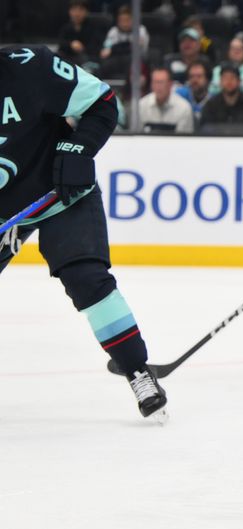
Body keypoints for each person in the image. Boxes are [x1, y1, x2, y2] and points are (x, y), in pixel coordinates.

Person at [0, 45, 167, 419]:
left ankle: (138, 371)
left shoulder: (32, 67)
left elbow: (103, 102)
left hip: (57, 192)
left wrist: (77, 150)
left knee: (85, 276)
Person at [200, 63, 243, 132]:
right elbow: (204, 130)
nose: (229, 81)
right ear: (220, 82)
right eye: (225, 78)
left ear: (239, 81)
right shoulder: (210, 106)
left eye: (232, 77)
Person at [139, 67, 194, 133]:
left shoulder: (184, 108)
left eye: (161, 82)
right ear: (151, 85)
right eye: (155, 82)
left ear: (170, 84)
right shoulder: (142, 105)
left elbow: (185, 139)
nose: (158, 87)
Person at [99, 4, 149, 78]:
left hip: (134, 59)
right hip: (117, 61)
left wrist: (115, 49)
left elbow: (135, 48)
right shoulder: (113, 31)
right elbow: (106, 51)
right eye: (122, 20)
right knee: (105, 64)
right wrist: (115, 49)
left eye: (127, 20)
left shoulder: (140, 30)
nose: (124, 23)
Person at [57, 0, 101, 69]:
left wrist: (82, 48)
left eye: (81, 10)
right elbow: (61, 45)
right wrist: (71, 45)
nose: (77, 14)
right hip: (69, 59)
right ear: (69, 12)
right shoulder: (65, 28)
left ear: (86, 12)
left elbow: (96, 47)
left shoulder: (94, 27)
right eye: (74, 10)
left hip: (87, 59)